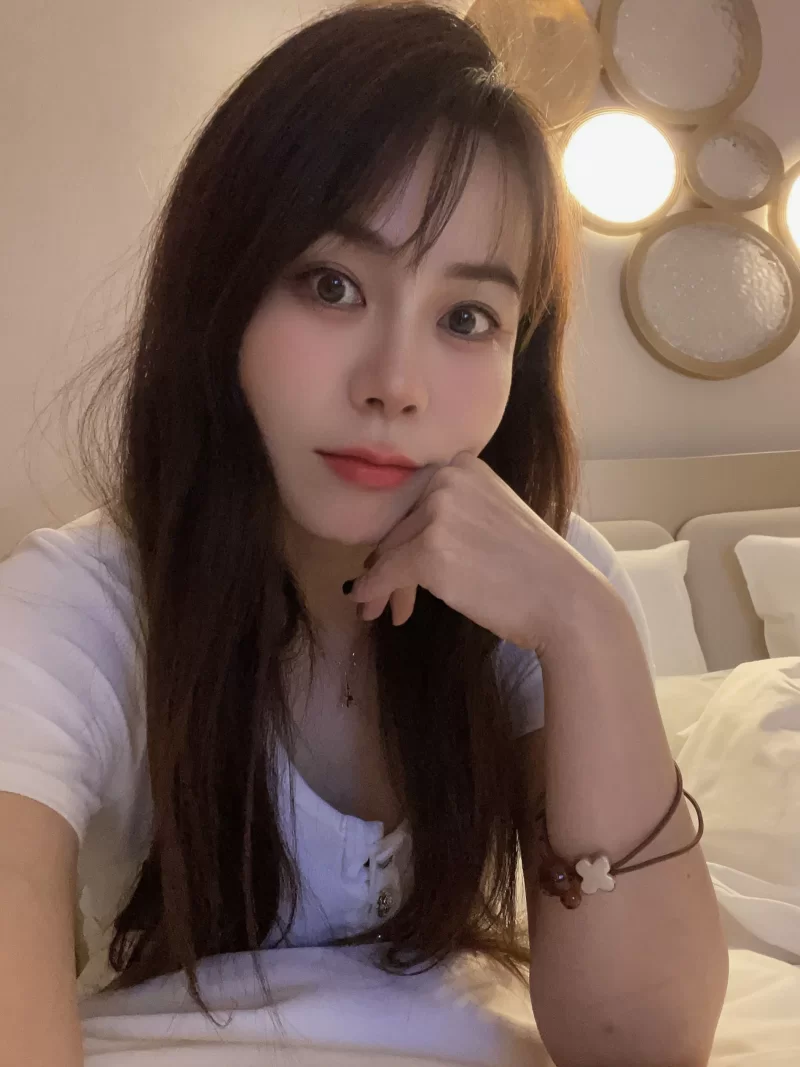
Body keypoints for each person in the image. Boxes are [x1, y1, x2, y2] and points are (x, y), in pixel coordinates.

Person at [0, 2, 728, 1064]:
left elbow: (646, 1045)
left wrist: (589, 627)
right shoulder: (81, 607)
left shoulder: (547, 590)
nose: (395, 383)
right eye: (331, 285)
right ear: (222, 299)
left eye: (465, 317)